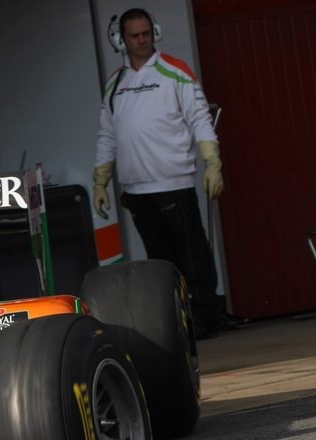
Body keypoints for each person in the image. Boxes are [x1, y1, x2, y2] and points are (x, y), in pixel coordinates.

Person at [93, 8, 227, 339]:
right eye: (134, 36)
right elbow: (107, 135)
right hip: (136, 190)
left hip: (173, 182)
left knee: (191, 255)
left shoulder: (175, 71)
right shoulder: (115, 83)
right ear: (121, 40)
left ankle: (208, 315)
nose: (142, 41)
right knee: (160, 264)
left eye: (146, 34)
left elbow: (199, 117)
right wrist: (100, 182)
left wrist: (213, 163)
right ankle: (175, 319)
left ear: (154, 32)